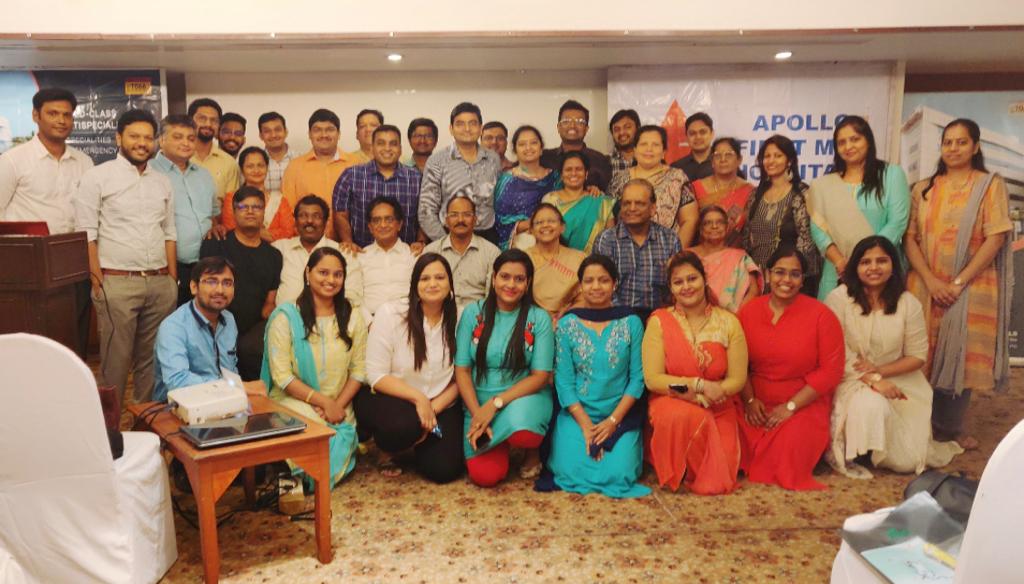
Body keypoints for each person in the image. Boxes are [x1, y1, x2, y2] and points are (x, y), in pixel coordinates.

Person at [904, 118, 1013, 448]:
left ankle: (950, 426)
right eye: (947, 142)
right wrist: (931, 280)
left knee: (960, 355)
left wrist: (957, 282)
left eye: (961, 142)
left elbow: (995, 237)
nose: (953, 148)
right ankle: (918, 425)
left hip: (971, 285)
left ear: (975, 146)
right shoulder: (923, 188)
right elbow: (910, 238)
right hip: (925, 284)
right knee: (922, 352)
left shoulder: (990, 185)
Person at [824, 236, 963, 478]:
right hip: (849, 377)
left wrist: (880, 371)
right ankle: (861, 448)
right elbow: (836, 352)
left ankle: (877, 443)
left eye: (882, 261)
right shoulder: (839, 299)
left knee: (907, 462)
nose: (874, 267)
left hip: (900, 379)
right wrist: (873, 380)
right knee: (871, 404)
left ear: (893, 265)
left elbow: (917, 356)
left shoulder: (908, 303)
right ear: (855, 266)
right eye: (865, 262)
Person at [73, 109, 178, 404]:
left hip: (159, 283)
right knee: (115, 364)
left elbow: (169, 232)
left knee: (152, 361)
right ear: (119, 138)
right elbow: (86, 233)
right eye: (134, 136)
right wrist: (98, 282)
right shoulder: (97, 177)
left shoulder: (162, 182)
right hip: (116, 284)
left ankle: (144, 424)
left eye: (148, 137)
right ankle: (109, 427)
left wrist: (171, 280)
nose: (142, 143)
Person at [736, 246, 844, 490]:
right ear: (767, 274)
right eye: (779, 272)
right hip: (755, 399)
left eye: (795, 274)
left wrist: (791, 406)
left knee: (788, 448)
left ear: (803, 280)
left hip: (803, 402)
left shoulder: (821, 315)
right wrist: (750, 400)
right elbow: (738, 361)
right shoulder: (749, 311)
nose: (786, 280)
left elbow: (831, 371)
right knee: (726, 430)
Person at [543, 254, 649, 498]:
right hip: (577, 414)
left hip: (620, 415)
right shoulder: (568, 325)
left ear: (615, 284)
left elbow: (637, 379)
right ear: (580, 286)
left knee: (620, 473)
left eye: (603, 280)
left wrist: (612, 422)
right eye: (589, 281)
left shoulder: (631, 322)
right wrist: (586, 426)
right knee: (569, 471)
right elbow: (564, 383)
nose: (596, 286)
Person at [643, 252, 748, 494]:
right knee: (681, 416)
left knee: (719, 472)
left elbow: (737, 379)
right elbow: (654, 379)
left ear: (704, 279)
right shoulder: (660, 322)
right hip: (672, 399)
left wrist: (708, 395)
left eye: (692, 279)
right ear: (671, 288)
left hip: (718, 404)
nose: (686, 287)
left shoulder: (728, 322)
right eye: (678, 282)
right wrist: (698, 386)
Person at [0, 87, 94, 356]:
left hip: (73, 262)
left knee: (72, 335)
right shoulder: (13, 161)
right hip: (26, 265)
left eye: (67, 115)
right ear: (35, 116)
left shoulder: (84, 162)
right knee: (31, 338)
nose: (61, 120)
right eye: (53, 113)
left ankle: (71, 380)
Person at [261, 247, 366, 488]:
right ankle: (295, 472)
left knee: (335, 439)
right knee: (311, 438)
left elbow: (359, 371)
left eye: (337, 274)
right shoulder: (286, 317)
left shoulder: (352, 316)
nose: (331, 280)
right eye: (323, 272)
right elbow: (282, 377)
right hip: (294, 403)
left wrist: (335, 405)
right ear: (308, 273)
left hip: (339, 406)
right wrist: (322, 402)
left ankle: (298, 474)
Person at [355, 253, 464, 483]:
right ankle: (390, 448)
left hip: (442, 401)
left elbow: (462, 376)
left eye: (440, 278)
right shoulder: (391, 314)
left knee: (444, 470)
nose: (432, 284)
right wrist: (419, 399)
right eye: (425, 278)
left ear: (450, 284)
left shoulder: (462, 317)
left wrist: (433, 408)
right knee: (403, 426)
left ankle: (420, 443)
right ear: (415, 284)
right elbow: (376, 375)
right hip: (394, 399)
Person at [455, 249, 555, 487]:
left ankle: (527, 448)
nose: (511, 285)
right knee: (485, 477)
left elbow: (540, 376)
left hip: (523, 398)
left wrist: (496, 404)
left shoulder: (539, 318)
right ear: (493, 278)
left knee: (524, 432)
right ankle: (499, 442)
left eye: (519, 279)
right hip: (478, 401)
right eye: (505, 277)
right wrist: (478, 414)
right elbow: (462, 370)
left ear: (527, 283)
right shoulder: (472, 313)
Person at [808, 115, 910, 300]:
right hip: (838, 270)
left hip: (879, 270)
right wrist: (839, 260)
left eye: (855, 139)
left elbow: (898, 222)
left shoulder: (891, 175)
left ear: (868, 141)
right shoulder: (824, 184)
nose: (848, 146)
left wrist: (866, 260)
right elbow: (818, 227)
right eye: (841, 142)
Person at [153, 257, 266, 401]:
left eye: (227, 283)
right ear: (194, 287)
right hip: (176, 407)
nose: (220, 290)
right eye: (211, 282)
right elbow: (178, 381)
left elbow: (230, 370)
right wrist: (236, 387)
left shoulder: (229, 320)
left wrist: (236, 391)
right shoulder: (173, 327)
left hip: (223, 401)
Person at [200, 186, 283, 380]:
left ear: (264, 212)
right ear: (234, 211)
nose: (250, 211)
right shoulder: (216, 243)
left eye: (257, 207)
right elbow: (203, 294)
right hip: (215, 328)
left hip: (252, 338)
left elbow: (269, 303)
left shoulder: (274, 256)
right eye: (243, 207)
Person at [151, 115, 218, 305]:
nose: (186, 143)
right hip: (166, 267)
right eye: (178, 137)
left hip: (206, 265)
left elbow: (214, 214)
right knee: (171, 318)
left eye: (190, 138)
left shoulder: (204, 175)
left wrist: (216, 226)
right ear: (161, 140)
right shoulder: (149, 172)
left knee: (204, 317)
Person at [742, 134, 821, 295]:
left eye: (778, 156)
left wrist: (790, 275)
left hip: (789, 280)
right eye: (767, 156)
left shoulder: (802, 193)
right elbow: (747, 239)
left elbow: (807, 241)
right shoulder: (755, 195)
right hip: (758, 280)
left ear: (789, 161)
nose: (771, 161)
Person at [593, 179, 682, 321]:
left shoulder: (670, 239)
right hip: (616, 318)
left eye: (639, 203)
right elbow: (601, 287)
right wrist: (628, 320)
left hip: (660, 318)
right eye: (626, 203)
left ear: (653, 208)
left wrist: (660, 319)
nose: (632, 208)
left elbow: (676, 285)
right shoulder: (606, 240)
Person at [333, 124, 425, 253]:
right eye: (381, 143)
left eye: (393, 144)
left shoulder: (417, 178)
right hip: (360, 255)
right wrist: (348, 241)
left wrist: (421, 241)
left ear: (400, 149)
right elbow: (340, 214)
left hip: (407, 256)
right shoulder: (351, 176)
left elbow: (425, 213)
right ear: (372, 147)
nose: (387, 148)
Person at [419, 102, 502, 244]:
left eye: (472, 123)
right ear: (451, 129)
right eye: (460, 124)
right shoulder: (437, 161)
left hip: (488, 237)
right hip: (448, 235)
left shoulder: (493, 159)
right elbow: (426, 211)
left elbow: (499, 202)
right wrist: (445, 242)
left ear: (480, 128)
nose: (467, 129)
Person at [607, 125, 698, 247]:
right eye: (643, 144)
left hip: (667, 249)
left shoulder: (677, 178)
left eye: (655, 145)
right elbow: (607, 217)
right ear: (635, 150)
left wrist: (676, 253)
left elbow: (690, 220)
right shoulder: (619, 179)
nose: (649, 149)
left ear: (664, 152)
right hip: (624, 250)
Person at [273, 194, 363, 308]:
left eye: (316, 216)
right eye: (303, 216)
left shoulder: (344, 253)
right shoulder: (280, 248)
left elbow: (353, 296)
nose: (309, 221)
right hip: (286, 317)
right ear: (295, 221)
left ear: (326, 222)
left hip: (330, 316)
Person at [282, 108, 358, 240]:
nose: (324, 135)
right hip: (307, 242)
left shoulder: (356, 164)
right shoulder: (295, 167)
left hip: (349, 242)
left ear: (339, 134)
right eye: (317, 130)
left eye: (330, 129)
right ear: (309, 134)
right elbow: (288, 210)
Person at [423, 196, 500, 311]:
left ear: (475, 220)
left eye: (467, 215)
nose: (460, 220)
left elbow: (492, 298)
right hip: (441, 313)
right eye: (454, 215)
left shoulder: (491, 252)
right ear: (446, 220)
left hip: (477, 315)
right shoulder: (431, 251)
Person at [494, 125, 559, 249]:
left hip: (552, 242)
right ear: (515, 150)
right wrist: (529, 224)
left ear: (541, 148)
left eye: (533, 143)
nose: (528, 148)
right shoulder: (506, 180)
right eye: (522, 144)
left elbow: (569, 203)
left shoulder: (556, 178)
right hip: (518, 246)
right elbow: (499, 220)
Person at [689, 205, 761, 312]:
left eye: (720, 222)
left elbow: (753, 290)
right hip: (693, 315)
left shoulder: (739, 256)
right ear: (701, 229)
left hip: (732, 317)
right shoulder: (688, 256)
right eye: (708, 223)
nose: (714, 226)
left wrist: (736, 316)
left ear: (727, 227)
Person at [542, 151, 615, 253]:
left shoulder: (600, 201)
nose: (573, 173)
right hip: (557, 259)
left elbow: (610, 238)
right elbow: (543, 233)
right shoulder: (550, 199)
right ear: (561, 175)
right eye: (568, 169)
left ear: (586, 173)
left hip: (594, 260)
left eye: (578, 169)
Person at [358, 196, 416, 322]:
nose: (383, 225)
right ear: (370, 227)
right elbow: (355, 297)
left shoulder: (412, 255)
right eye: (376, 221)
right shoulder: (360, 257)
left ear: (399, 224)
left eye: (389, 220)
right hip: (370, 323)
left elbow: (419, 293)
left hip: (407, 322)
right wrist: (369, 323)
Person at [220, 146, 295, 241]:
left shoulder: (280, 199)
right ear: (242, 170)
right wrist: (265, 234)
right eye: (250, 166)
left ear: (267, 168)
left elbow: (288, 232)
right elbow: (231, 228)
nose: (256, 170)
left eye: (261, 165)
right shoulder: (232, 198)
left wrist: (252, 231)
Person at [525, 204, 585, 319]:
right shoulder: (523, 258)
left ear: (562, 227)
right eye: (539, 222)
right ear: (531, 230)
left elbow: (585, 294)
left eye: (551, 221)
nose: (545, 225)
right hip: (532, 319)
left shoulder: (579, 258)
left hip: (571, 319)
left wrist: (568, 314)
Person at [691, 138, 753, 247]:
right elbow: (690, 224)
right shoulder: (695, 188)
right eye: (717, 155)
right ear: (712, 161)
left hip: (736, 251)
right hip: (701, 250)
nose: (723, 159)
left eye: (728, 155)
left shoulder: (749, 191)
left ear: (739, 160)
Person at [540, 100, 612, 192]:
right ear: (558, 127)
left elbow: (605, 194)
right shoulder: (544, 158)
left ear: (586, 129)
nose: (572, 126)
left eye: (579, 121)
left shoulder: (600, 160)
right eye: (566, 121)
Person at [188, 98, 240, 210]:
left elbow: (231, 208)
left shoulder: (229, 163)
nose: (208, 124)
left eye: (214, 120)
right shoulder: (179, 157)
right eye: (202, 119)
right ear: (189, 121)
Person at [257, 111, 295, 194]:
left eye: (277, 130)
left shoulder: (300, 159)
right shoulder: (254, 162)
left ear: (286, 132)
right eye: (267, 131)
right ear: (261, 136)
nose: (273, 135)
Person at [671, 112, 715, 180]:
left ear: (712, 134)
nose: (698, 137)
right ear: (686, 137)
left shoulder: (724, 164)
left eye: (702, 132)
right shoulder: (676, 168)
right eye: (692, 133)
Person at [607, 109, 640, 181]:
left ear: (638, 129)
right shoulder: (605, 162)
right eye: (616, 129)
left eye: (627, 127)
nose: (621, 132)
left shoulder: (648, 158)